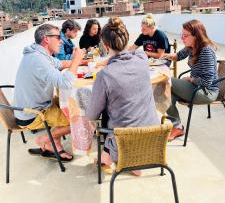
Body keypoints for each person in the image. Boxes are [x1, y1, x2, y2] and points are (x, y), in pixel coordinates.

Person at [86, 17, 159, 173]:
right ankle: (133, 162)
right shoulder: (142, 59)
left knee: (106, 114)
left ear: (105, 46)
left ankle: (109, 157)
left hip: (124, 141)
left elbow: (92, 114)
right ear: (127, 40)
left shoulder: (105, 76)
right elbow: (127, 55)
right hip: (154, 137)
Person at [14, 24, 85, 161]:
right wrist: (76, 60)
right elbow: (65, 83)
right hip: (33, 113)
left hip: (34, 106)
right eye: (58, 37)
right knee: (78, 119)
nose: (62, 41)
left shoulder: (39, 54)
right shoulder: (38, 60)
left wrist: (82, 61)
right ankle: (45, 139)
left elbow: (60, 64)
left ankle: (53, 145)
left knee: (71, 105)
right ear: (46, 39)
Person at [163, 19, 219, 141]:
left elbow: (207, 81)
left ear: (196, 35)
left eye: (185, 35)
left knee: (165, 82)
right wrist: (161, 56)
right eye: (181, 34)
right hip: (196, 87)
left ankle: (176, 126)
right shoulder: (191, 47)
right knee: (166, 95)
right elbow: (177, 56)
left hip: (206, 91)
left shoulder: (206, 51)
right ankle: (177, 127)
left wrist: (192, 79)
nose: (182, 38)